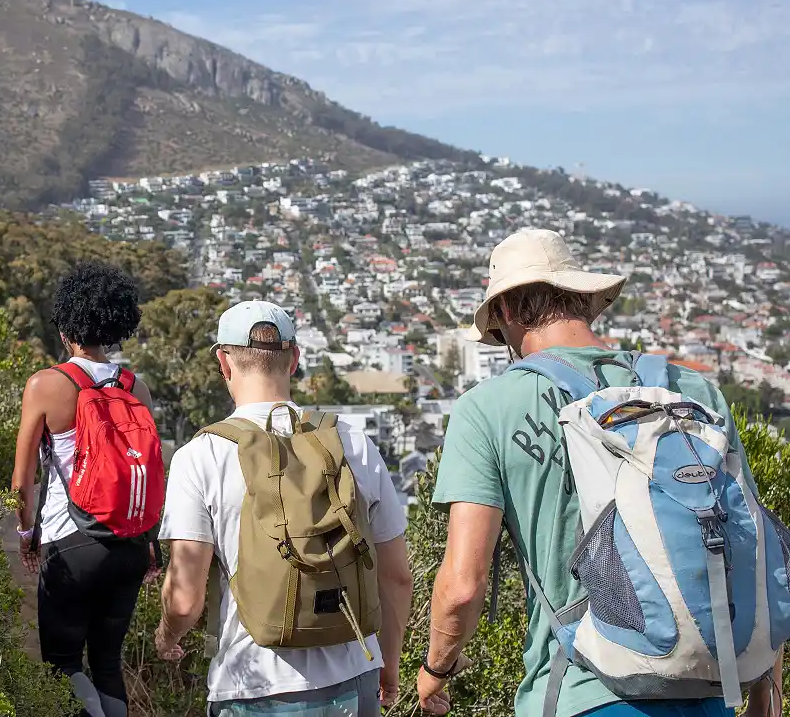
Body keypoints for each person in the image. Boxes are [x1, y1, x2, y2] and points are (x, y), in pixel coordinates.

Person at [419, 227, 783, 717]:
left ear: (503, 312)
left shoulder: (487, 408)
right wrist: (762, 694)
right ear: (583, 299)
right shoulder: (691, 390)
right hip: (707, 688)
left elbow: (463, 585)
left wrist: (435, 669)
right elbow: (751, 548)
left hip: (575, 691)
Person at [156, 300, 414, 717]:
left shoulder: (201, 456)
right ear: (294, 359)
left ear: (224, 363)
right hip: (353, 677)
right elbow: (397, 577)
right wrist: (388, 666)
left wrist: (167, 636)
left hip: (253, 685)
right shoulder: (352, 443)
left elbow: (185, 600)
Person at [11, 261, 159, 717]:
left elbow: (22, 480)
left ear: (66, 328)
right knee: (108, 661)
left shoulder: (46, 385)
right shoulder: (138, 387)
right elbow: (151, 467)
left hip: (70, 540)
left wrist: (26, 533)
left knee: (62, 663)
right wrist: (150, 544)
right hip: (130, 543)